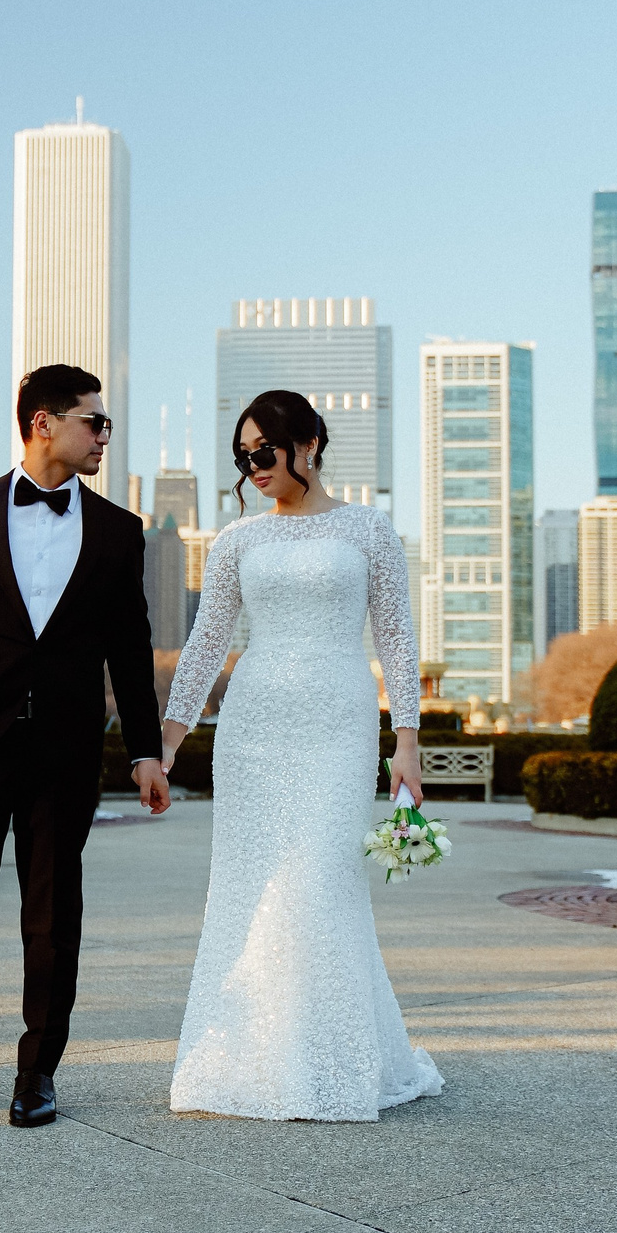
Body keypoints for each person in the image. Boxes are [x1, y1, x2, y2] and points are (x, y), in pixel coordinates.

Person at [158, 388, 442, 1120]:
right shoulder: (236, 541)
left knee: (320, 880)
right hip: (253, 728)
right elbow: (206, 644)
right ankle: (259, 1059)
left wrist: (406, 740)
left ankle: (336, 1063)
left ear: (309, 442)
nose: (253, 466)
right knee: (253, 887)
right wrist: (165, 741)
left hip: (341, 724)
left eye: (265, 450)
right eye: (242, 455)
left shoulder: (369, 530)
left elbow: (397, 640)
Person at [0, 364, 171, 1127]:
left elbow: (131, 644)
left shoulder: (120, 530)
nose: (104, 436)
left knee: (54, 910)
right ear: (44, 422)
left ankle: (36, 1070)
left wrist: (145, 750)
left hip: (65, 747)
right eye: (95, 421)